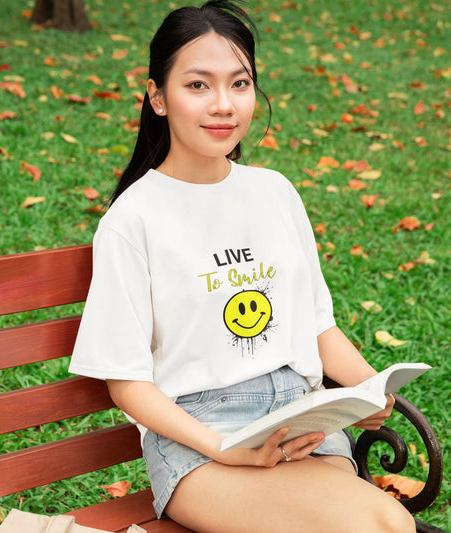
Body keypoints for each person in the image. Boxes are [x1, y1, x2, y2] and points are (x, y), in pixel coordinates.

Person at [69, 2, 416, 532]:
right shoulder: (133, 219)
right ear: (157, 97)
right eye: (198, 86)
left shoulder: (274, 192)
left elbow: (318, 326)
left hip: (301, 422)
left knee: (388, 524)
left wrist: (369, 393)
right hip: (200, 440)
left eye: (239, 83)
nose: (224, 105)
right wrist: (223, 448)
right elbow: (127, 383)